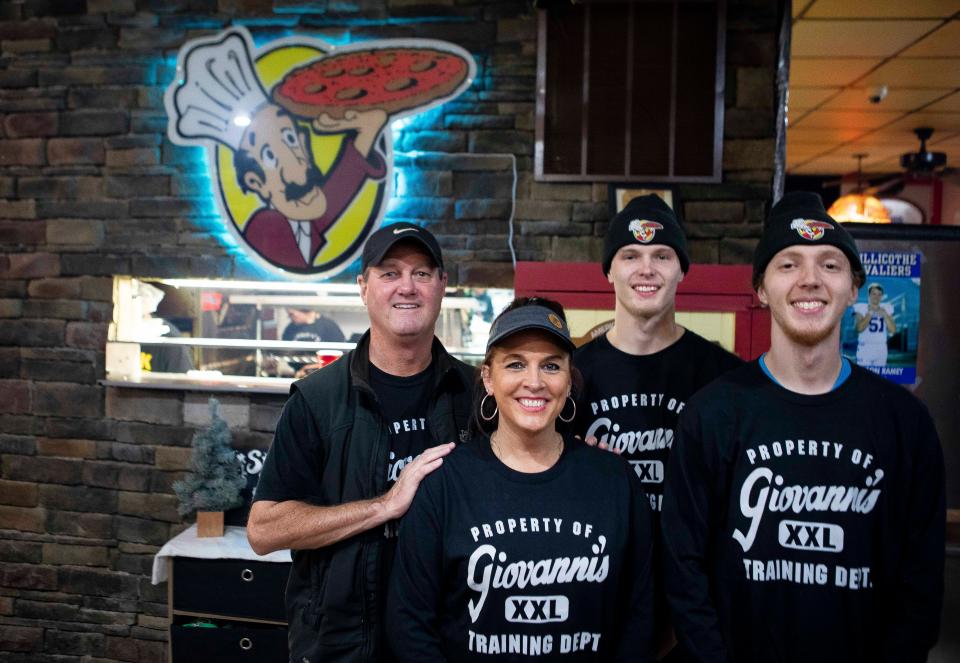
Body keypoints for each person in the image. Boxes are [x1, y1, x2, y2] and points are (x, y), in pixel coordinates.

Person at [661, 192, 945, 663]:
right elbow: (683, 568)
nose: (810, 280)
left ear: (853, 288)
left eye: (830, 266)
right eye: (788, 265)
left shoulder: (903, 422)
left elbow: (922, 585)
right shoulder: (713, 414)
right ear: (761, 289)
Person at [247, 222, 475, 663]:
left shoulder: (477, 394)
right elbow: (264, 530)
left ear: (442, 285)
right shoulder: (317, 400)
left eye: (422, 273)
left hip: (447, 641)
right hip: (342, 646)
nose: (406, 287)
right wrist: (384, 505)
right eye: (389, 273)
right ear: (363, 287)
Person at [387, 298, 655, 662]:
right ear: (488, 378)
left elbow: (640, 615)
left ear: (568, 378)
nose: (534, 382)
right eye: (515, 364)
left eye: (550, 366)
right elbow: (409, 623)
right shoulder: (445, 484)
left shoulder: (614, 480)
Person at [574, 194, 741, 660]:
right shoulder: (569, 376)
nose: (646, 269)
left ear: (681, 270)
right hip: (597, 603)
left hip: (700, 614)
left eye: (662, 256)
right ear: (609, 270)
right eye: (630, 256)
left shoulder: (725, 377)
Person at [280, 307, 346, 376]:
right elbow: (286, 354)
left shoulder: (329, 326)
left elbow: (339, 358)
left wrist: (308, 368)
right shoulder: (290, 328)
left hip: (325, 374)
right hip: (299, 375)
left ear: (303, 310)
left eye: (291, 314)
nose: (290, 317)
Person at [853, 282, 896, 366]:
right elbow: (859, 329)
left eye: (879, 294)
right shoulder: (861, 308)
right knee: (863, 376)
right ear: (869, 295)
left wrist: (885, 315)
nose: (876, 297)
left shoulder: (886, 308)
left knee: (879, 377)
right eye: (874, 294)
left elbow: (893, 330)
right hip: (865, 347)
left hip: (881, 347)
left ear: (882, 296)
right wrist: (870, 313)